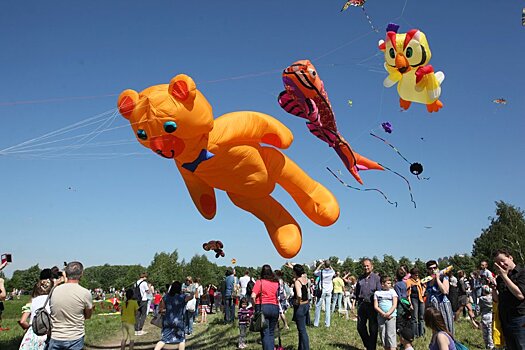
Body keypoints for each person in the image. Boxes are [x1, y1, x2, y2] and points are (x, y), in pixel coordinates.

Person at [48, 261, 93, 350]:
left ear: (65, 273)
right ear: (81, 274)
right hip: (75, 336)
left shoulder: (54, 290)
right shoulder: (85, 293)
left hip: (56, 335)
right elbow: (88, 316)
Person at [493, 248, 525, 350]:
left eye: (503, 260)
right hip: (505, 320)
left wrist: (504, 276)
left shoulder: (522, 273)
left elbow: (520, 295)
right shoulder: (500, 279)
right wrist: (493, 289)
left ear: (510, 257)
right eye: (498, 263)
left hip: (520, 319)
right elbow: (497, 300)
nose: (501, 264)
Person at [154, 281, 194, 350]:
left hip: (167, 320)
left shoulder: (165, 297)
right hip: (179, 321)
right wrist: (191, 290)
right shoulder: (183, 297)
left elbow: (161, 309)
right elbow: (191, 297)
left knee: (164, 339)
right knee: (181, 340)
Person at [250, 264, 279, 350]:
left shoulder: (260, 282)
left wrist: (254, 306)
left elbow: (253, 296)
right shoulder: (275, 283)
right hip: (274, 307)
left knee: (265, 333)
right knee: (271, 332)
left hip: (263, 307)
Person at [18, 279, 53, 350]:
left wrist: (29, 328)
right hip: (48, 332)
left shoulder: (32, 301)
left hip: (33, 331)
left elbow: (22, 321)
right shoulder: (52, 301)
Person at [355, 258, 382, 350]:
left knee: (373, 328)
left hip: (372, 305)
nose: (366, 267)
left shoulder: (377, 278)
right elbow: (356, 292)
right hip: (362, 304)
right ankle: (368, 345)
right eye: (364, 266)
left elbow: (379, 292)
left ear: (372, 266)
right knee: (360, 327)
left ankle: (372, 348)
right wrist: (354, 303)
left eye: (367, 266)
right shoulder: (360, 278)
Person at [425, 260, 454, 336]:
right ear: (428, 270)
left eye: (435, 268)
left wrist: (437, 279)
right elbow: (428, 295)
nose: (433, 270)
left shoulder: (444, 278)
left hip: (443, 305)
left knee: (447, 327)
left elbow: (445, 291)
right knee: (435, 328)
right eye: (430, 268)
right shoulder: (428, 280)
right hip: (433, 306)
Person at [373, 276, 398, 350]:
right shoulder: (377, 293)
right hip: (381, 316)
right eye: (388, 283)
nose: (390, 285)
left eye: (390, 283)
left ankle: (393, 348)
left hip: (391, 316)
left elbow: (394, 304)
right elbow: (376, 306)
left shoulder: (392, 291)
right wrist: (383, 314)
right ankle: (386, 347)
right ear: (382, 284)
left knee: (391, 334)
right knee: (382, 333)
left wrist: (388, 313)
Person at [292, 264, 310, 350]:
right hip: (306, 304)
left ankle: (306, 348)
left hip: (301, 306)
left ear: (295, 272)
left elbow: (299, 294)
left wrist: (297, 302)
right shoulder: (304, 279)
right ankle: (301, 348)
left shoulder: (297, 282)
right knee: (301, 329)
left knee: (302, 331)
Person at [313, 260, 335, 328]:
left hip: (322, 290)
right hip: (329, 291)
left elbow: (315, 272)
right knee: (328, 308)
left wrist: (320, 264)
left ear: (324, 265)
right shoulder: (332, 272)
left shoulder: (321, 272)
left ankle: (316, 323)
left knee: (318, 306)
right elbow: (333, 270)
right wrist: (328, 265)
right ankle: (327, 324)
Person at [405, 267, 424, 338]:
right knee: (414, 318)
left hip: (420, 300)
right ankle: (415, 334)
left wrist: (423, 292)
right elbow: (408, 294)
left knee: (421, 317)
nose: (417, 276)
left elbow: (423, 287)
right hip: (413, 299)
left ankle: (421, 334)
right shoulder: (409, 281)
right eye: (416, 275)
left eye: (418, 275)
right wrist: (410, 304)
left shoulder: (419, 281)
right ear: (412, 275)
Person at [479, 285, 494, 350]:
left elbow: (479, 308)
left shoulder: (481, 299)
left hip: (484, 316)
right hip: (491, 316)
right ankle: (491, 346)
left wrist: (476, 314)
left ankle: (486, 345)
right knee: (490, 332)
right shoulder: (492, 298)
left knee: (485, 333)